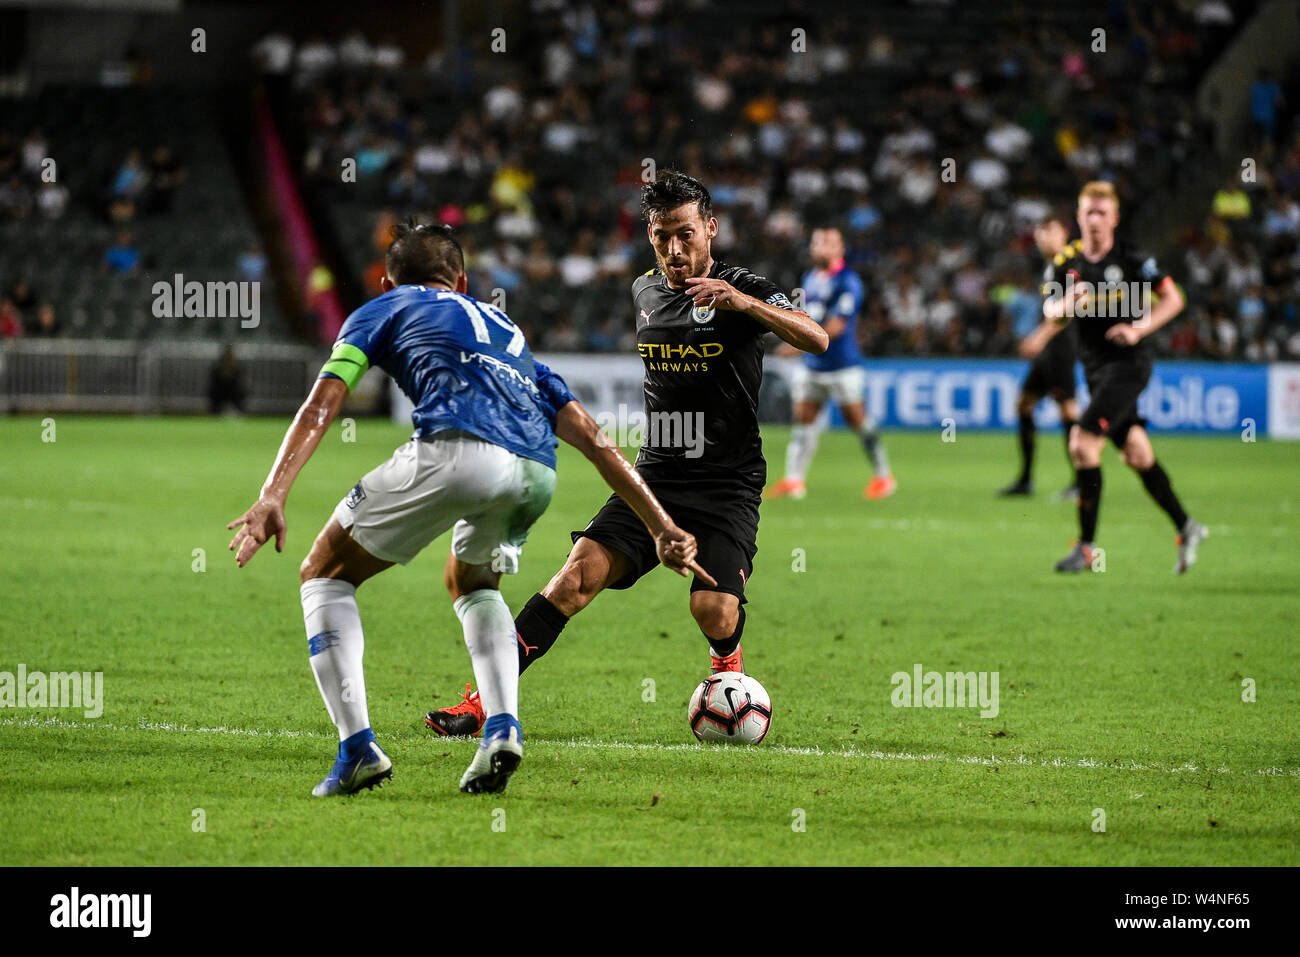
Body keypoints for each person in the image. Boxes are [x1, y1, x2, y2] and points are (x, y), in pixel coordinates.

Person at [227, 222, 709, 797]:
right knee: (474, 584)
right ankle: (501, 727)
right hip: (535, 469)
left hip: (457, 449)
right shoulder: (506, 329)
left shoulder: (381, 309)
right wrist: (662, 525)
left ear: (388, 282)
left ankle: (357, 748)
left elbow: (322, 403)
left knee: (323, 574)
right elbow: (591, 435)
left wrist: (273, 494)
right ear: (461, 281)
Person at [424, 170, 828, 736]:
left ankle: (727, 667)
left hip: (726, 482)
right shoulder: (643, 291)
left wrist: (741, 303)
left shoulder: (746, 286)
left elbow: (816, 337)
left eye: (685, 233)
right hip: (655, 476)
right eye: (661, 235)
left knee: (712, 611)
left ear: (710, 228)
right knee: (573, 581)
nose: (674, 248)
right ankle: (481, 702)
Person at [1021, 182, 1207, 574]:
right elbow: (1054, 309)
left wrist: (1140, 329)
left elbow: (1174, 299)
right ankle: (1187, 526)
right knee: (1137, 454)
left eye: (1102, 213)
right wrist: (1064, 306)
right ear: (1079, 217)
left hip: (1129, 367)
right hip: (1094, 371)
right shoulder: (1067, 264)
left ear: (1115, 219)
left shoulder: (1133, 260)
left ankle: (1087, 550)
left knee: (1083, 444)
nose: (1094, 220)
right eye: (1088, 212)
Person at [767, 226, 894, 501]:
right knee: (803, 420)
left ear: (839, 249)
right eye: (816, 242)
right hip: (813, 366)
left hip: (843, 366)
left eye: (827, 243)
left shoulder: (848, 281)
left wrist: (797, 345)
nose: (820, 247)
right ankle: (794, 480)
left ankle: (883, 476)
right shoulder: (809, 278)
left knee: (857, 420)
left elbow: (837, 325)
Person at [999, 216, 1081, 498]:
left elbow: (1069, 311)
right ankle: (1025, 480)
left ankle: (1081, 480)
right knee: (1024, 405)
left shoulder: (1069, 265)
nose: (1042, 236)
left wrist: (1039, 337)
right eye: (1040, 231)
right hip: (1049, 348)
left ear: (1064, 233)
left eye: (1050, 230)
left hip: (1061, 346)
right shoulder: (1049, 266)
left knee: (1069, 410)